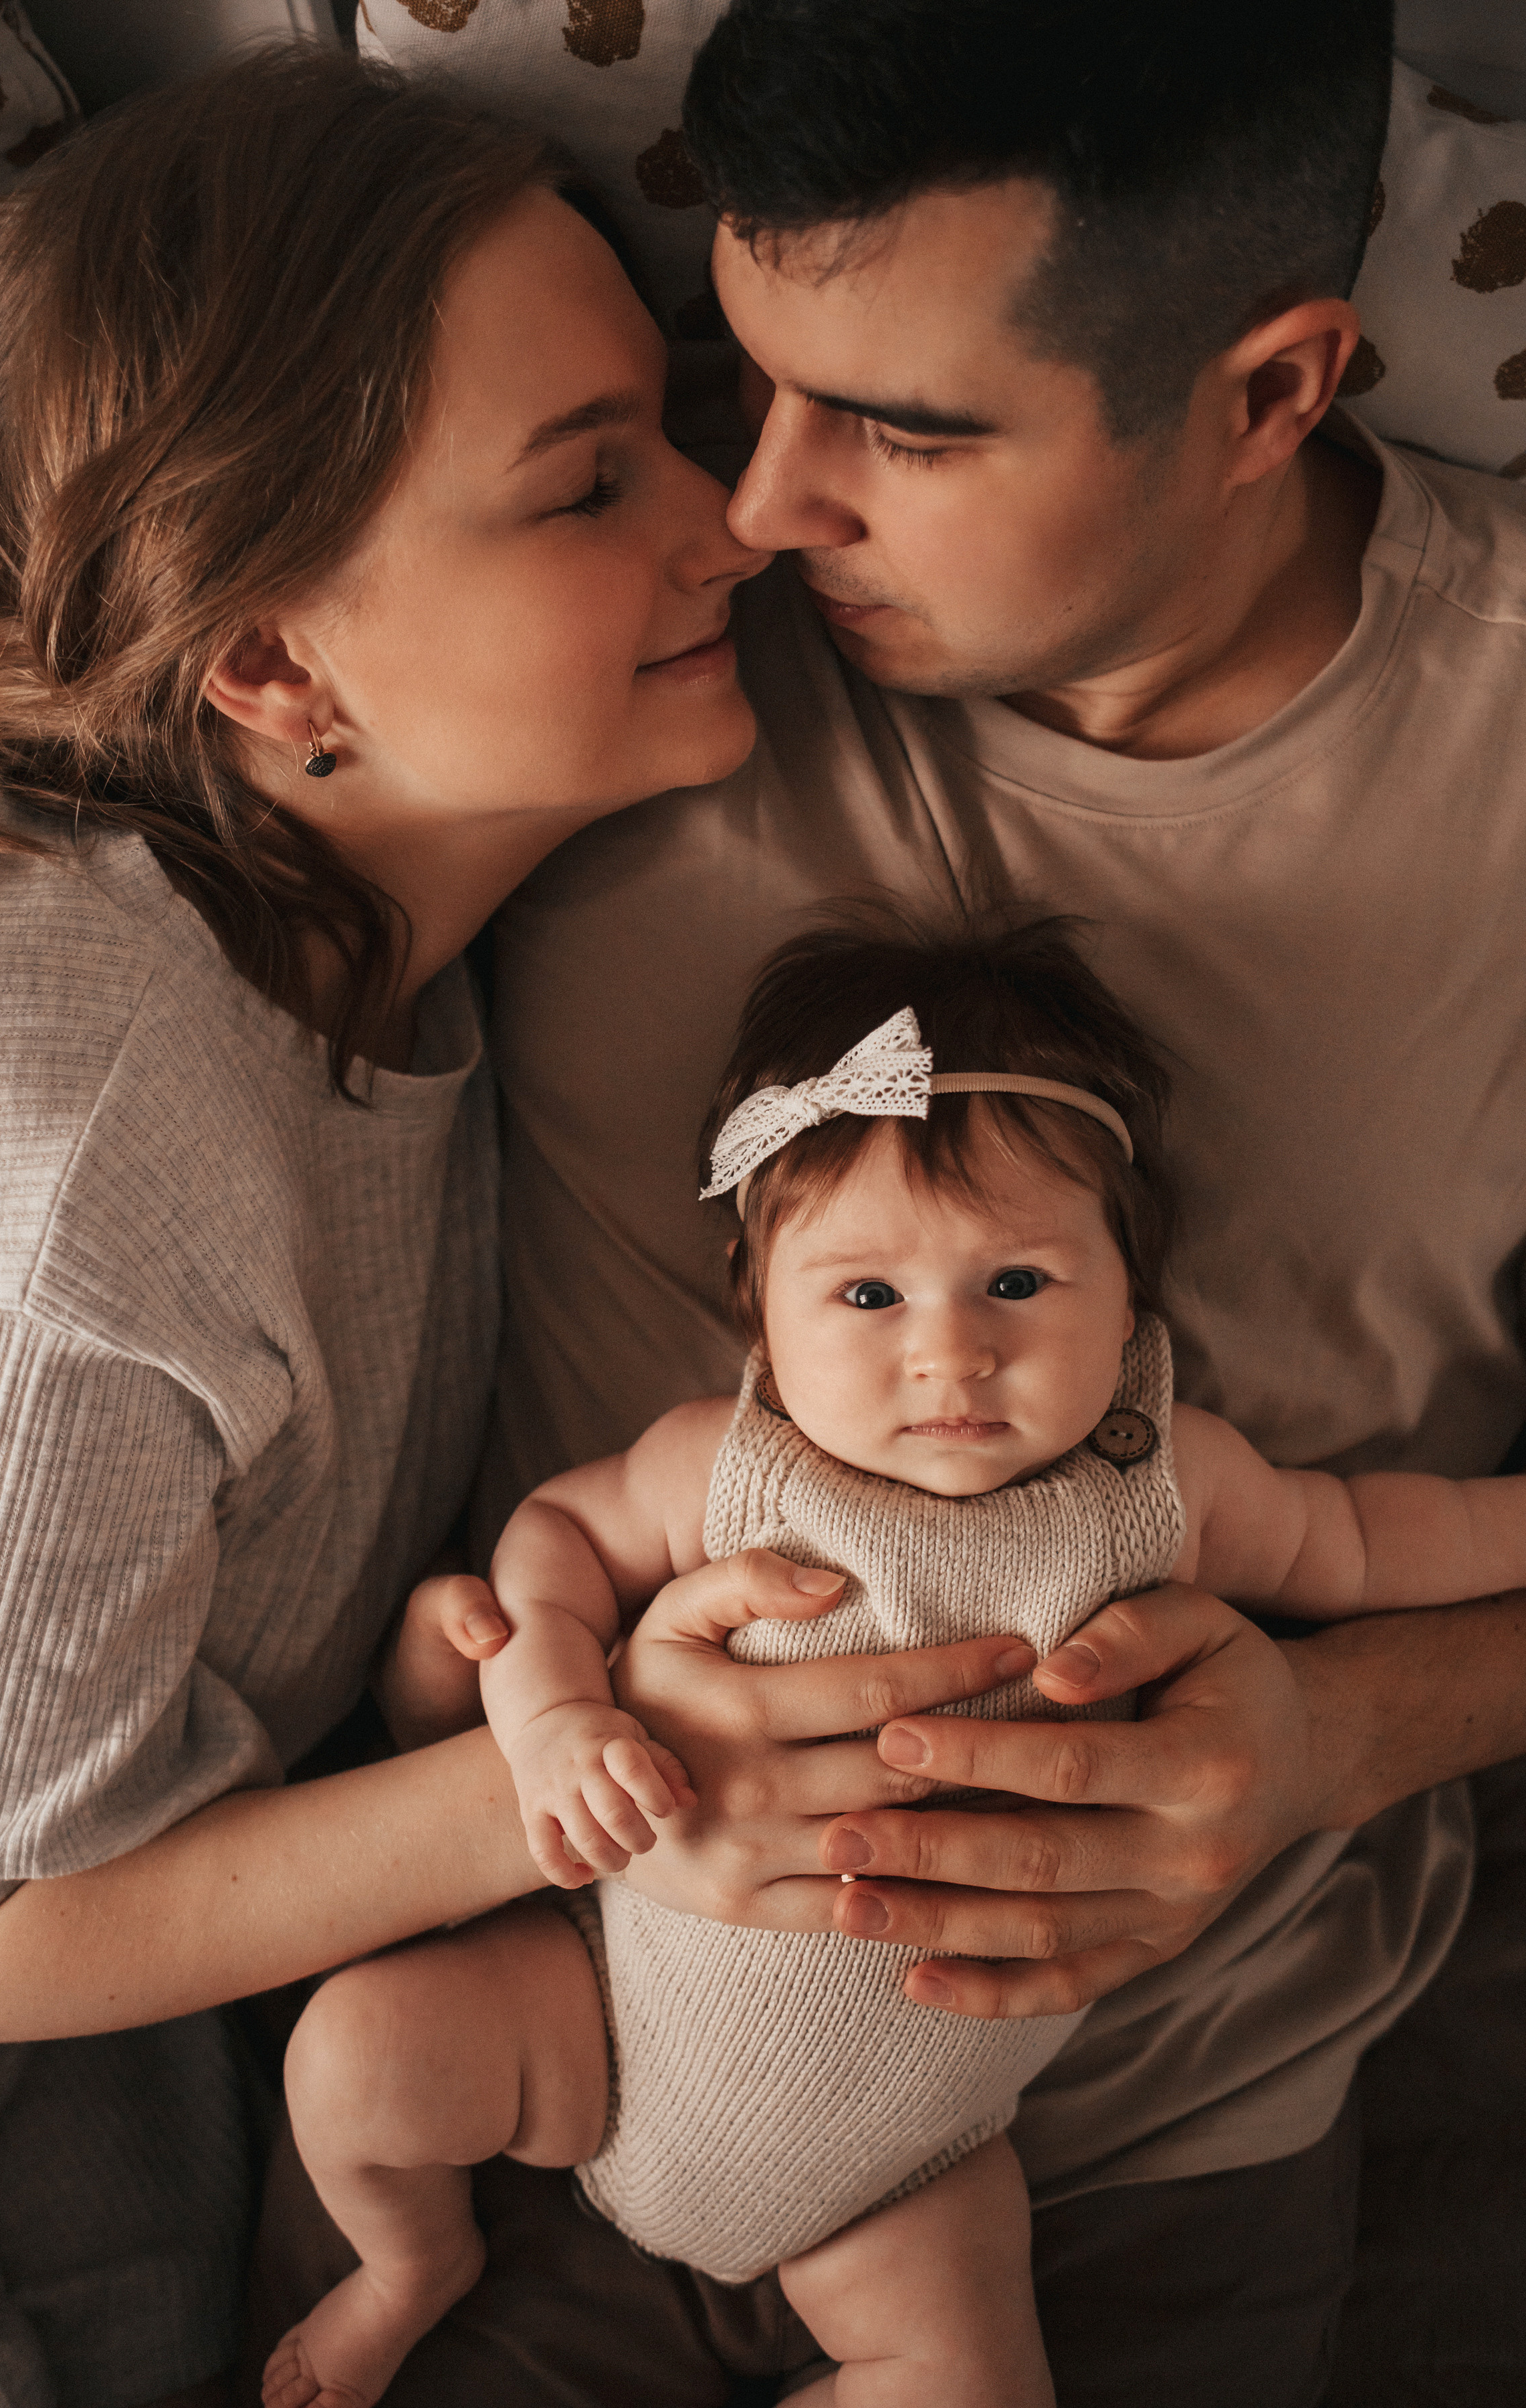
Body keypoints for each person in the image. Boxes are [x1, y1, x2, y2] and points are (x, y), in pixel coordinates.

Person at [402, 1, 1526, 2399]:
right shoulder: (609, 615)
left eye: (907, 432)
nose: (765, 503)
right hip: (552, 2058)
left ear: (1267, 393)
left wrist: (1345, 1737)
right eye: (758, 382)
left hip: (1150, 2158)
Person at [0, 41, 783, 2408]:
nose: (734, 520)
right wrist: (586, 1764)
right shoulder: (81, 1104)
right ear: (276, 664)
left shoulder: (380, 945)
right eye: (589, 483)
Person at [274, 914, 1526, 2408]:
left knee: (973, 2380)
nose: (949, 1354)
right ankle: (411, 2264)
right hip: (603, 2024)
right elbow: (551, 1541)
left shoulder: (1164, 1487)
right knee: (356, 2054)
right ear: (759, 1308)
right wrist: (550, 1715)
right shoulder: (728, 1469)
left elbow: (1379, 1541)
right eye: (868, 1298)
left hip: (910, 2158)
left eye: (1017, 1286)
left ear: (1131, 1300)